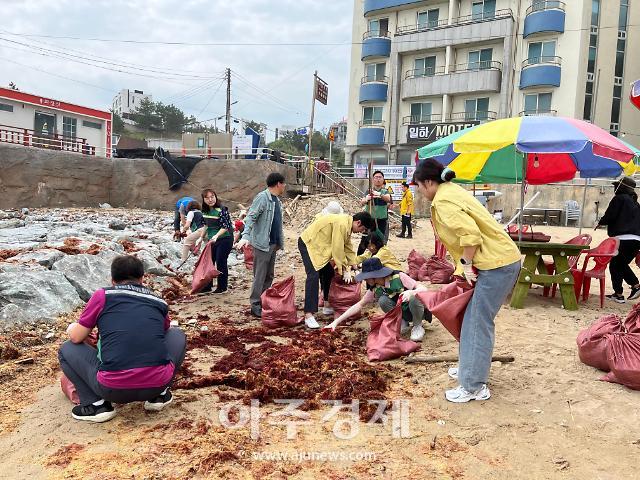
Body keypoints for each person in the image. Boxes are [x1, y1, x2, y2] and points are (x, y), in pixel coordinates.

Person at [413, 158, 521, 403]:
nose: (419, 191)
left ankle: (473, 386)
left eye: (419, 186)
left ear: (428, 182)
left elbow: (470, 237)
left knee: (476, 322)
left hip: (497, 264)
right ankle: (469, 370)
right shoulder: (451, 191)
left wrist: (466, 264)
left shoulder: (442, 200)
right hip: (497, 261)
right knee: (472, 319)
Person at [58, 255, 186, 423]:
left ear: (112, 280)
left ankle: (96, 405)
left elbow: (76, 337)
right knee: (177, 334)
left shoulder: (103, 296)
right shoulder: (158, 301)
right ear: (142, 279)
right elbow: (163, 331)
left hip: (112, 388)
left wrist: (74, 328)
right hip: (157, 383)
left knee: (67, 348)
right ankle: (159, 396)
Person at [298, 212, 375, 329]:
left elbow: (348, 248)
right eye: (362, 229)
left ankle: (327, 303)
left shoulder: (347, 226)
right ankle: (308, 314)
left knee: (328, 272)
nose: (360, 232)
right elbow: (337, 249)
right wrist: (345, 269)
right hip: (309, 244)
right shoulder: (342, 224)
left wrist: (354, 265)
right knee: (313, 276)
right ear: (358, 222)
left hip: (321, 248)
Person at [324, 257, 429, 341]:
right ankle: (402, 322)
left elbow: (423, 289)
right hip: (401, 312)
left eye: (367, 277)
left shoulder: (399, 276)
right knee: (383, 300)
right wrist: (336, 322)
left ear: (375, 275)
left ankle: (417, 326)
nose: (365, 279)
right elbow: (359, 305)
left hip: (416, 310)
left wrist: (411, 292)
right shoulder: (375, 288)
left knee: (415, 298)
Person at [236, 173, 286, 318]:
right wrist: (245, 236)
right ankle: (255, 304)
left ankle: (264, 300)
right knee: (260, 275)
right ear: (278, 184)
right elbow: (251, 217)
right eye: (283, 184)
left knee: (269, 275)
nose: (284, 186)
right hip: (262, 244)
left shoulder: (277, 200)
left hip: (273, 244)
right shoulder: (262, 198)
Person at [595, 176, 640, 303]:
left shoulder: (619, 198)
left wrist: (601, 222)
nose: (615, 188)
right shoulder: (636, 203)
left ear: (621, 187)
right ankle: (619, 294)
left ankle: (634, 286)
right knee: (618, 264)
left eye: (616, 186)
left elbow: (610, 214)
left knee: (617, 264)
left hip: (622, 239)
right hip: (636, 240)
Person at [201, 189, 234, 294]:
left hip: (225, 238)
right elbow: (205, 225)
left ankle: (222, 287)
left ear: (216, 197)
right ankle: (207, 286)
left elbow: (225, 226)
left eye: (212, 197)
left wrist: (216, 235)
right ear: (203, 199)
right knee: (210, 261)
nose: (210, 200)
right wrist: (201, 238)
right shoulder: (204, 211)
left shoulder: (222, 210)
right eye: (207, 198)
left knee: (221, 261)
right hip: (212, 239)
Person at [359, 170, 392, 254]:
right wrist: (367, 199)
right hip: (369, 220)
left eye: (380, 177)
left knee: (379, 240)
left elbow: (389, 199)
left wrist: (379, 195)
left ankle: (377, 259)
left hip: (381, 220)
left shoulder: (385, 191)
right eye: (376, 177)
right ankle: (358, 259)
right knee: (365, 240)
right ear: (373, 179)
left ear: (383, 179)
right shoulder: (368, 191)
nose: (378, 179)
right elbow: (361, 202)